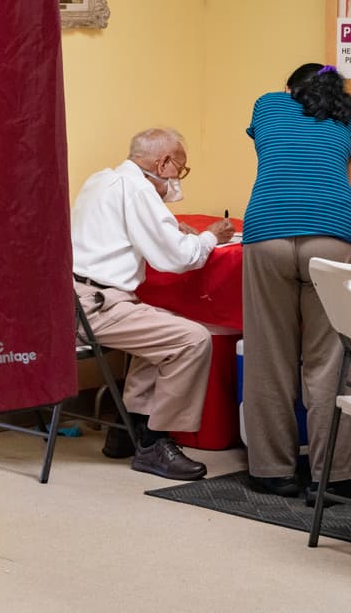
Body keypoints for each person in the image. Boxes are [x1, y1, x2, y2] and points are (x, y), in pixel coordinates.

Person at [71, 128, 235, 480]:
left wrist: (173, 228)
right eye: (181, 169)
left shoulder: (102, 180)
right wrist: (211, 237)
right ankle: (156, 441)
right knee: (192, 339)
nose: (178, 178)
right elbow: (177, 258)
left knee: (163, 326)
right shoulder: (139, 189)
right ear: (164, 163)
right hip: (99, 307)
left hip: (74, 300)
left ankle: (128, 429)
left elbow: (122, 233)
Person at [241, 63, 351, 503]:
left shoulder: (269, 104)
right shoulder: (345, 115)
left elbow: (275, 156)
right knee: (331, 359)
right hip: (332, 237)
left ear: (290, 87)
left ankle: (271, 471)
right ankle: (332, 477)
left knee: (267, 354)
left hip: (267, 233)